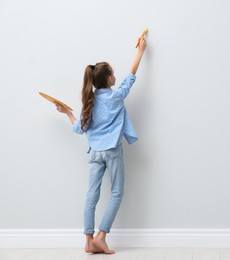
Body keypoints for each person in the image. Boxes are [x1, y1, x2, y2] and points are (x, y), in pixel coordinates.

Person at [55, 37, 147, 254]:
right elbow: (131, 77)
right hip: (112, 152)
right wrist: (141, 51)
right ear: (108, 79)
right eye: (113, 73)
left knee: (91, 195)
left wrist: (67, 113)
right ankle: (101, 236)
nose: (116, 76)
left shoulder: (90, 101)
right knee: (117, 193)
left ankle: (88, 240)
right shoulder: (115, 98)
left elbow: (79, 129)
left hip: (94, 152)